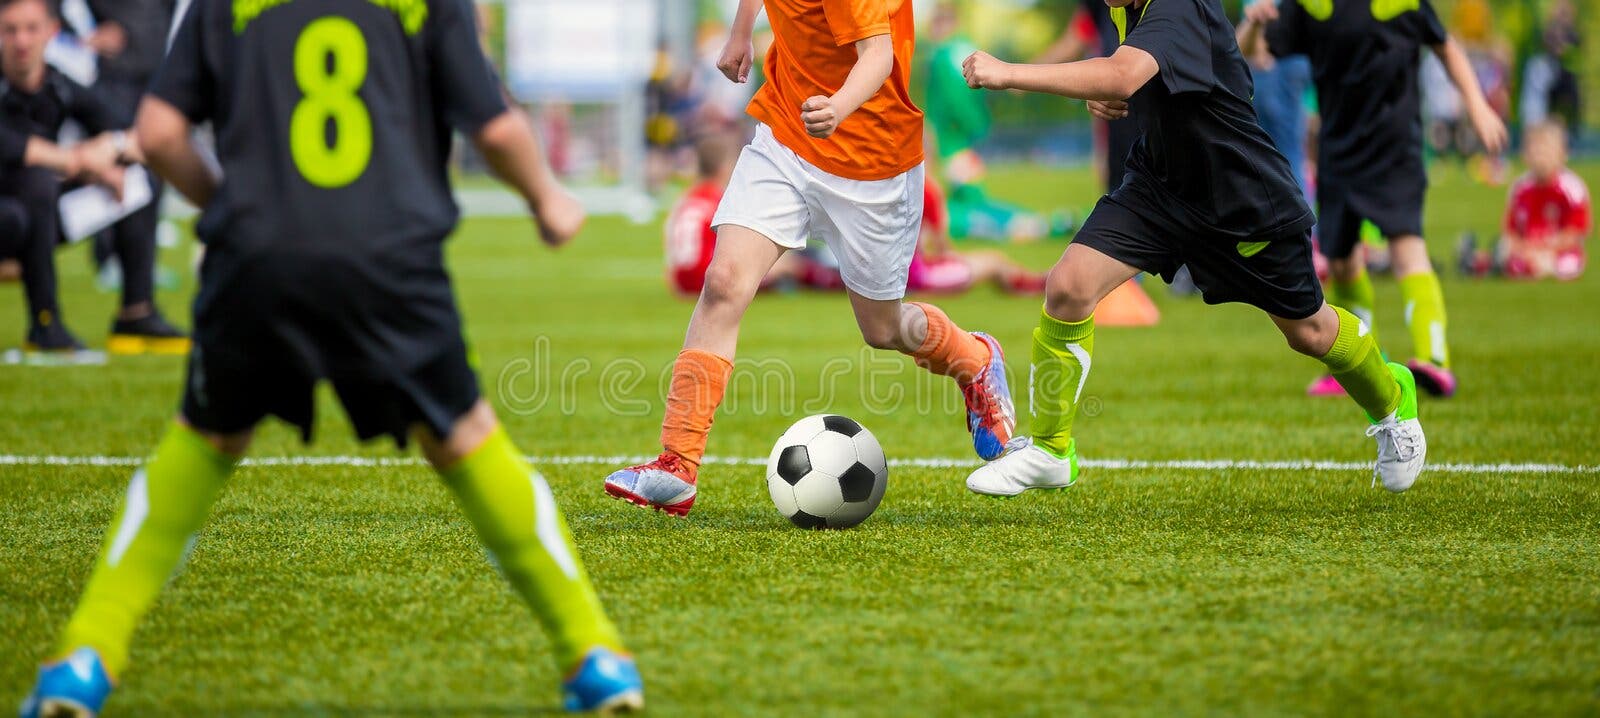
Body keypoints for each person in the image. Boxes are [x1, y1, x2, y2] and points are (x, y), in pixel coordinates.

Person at [19, 0, 645, 713]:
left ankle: (83, 657)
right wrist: (546, 198)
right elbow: (496, 127)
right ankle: (593, 653)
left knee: (205, 440)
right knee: (466, 436)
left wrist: (230, 209)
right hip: (389, 257)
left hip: (257, 257)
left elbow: (159, 133)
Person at [957, 0, 1426, 497]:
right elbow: (1132, 80)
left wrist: (1008, 72)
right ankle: (1052, 450)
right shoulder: (1125, 9)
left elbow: (1121, 75)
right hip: (1160, 188)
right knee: (1069, 285)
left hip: (1241, 199)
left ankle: (1395, 400)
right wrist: (1103, 96)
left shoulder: (1179, 4)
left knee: (1310, 331)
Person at [603, 0, 1017, 516]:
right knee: (724, 280)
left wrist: (839, 107)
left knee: (883, 329)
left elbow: (878, 55)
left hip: (872, 161)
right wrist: (738, 34)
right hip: (787, 134)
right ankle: (677, 463)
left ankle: (974, 360)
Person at [1238, 0, 1509, 399]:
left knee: (1406, 248)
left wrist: (1477, 106)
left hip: (1395, 145)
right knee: (1343, 262)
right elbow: (1253, 55)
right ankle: (1358, 361)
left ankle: (1435, 361)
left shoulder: (1402, 2)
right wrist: (1253, 24)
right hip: (1339, 149)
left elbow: (1445, 46)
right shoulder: (1309, 6)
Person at [0, 0, 173, 354]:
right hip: (10, 218)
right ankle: (45, 325)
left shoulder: (59, 85)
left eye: (31, 29)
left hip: (39, 219)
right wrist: (72, 159)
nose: (21, 41)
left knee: (139, 180)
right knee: (36, 185)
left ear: (51, 32)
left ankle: (136, 312)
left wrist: (109, 156)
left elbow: (130, 131)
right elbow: (13, 146)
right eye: (10, 30)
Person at [83, 0, 190, 355]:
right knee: (123, 171)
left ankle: (137, 306)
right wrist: (77, 35)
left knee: (145, 178)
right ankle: (109, 265)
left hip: (157, 73)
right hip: (108, 77)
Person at [1476, 122, 1589, 281]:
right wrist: (1521, 247)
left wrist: (1543, 248)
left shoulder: (1572, 188)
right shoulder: (1520, 187)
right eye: (1536, 151)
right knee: (1505, 252)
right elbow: (1510, 229)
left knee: (1566, 265)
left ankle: (1524, 266)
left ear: (1562, 154)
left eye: (1546, 151)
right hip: (1526, 248)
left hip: (1557, 251)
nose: (1540, 157)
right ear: (1525, 155)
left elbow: (1575, 233)